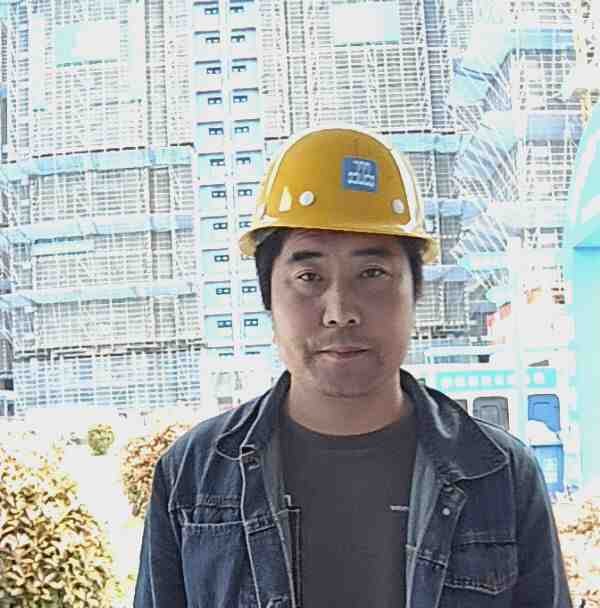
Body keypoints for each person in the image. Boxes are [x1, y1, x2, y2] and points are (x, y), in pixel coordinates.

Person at [134, 125, 572, 607]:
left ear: (415, 291)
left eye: (372, 273)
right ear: (268, 297)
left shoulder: (500, 474)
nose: (340, 310)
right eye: (309, 276)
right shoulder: (193, 476)